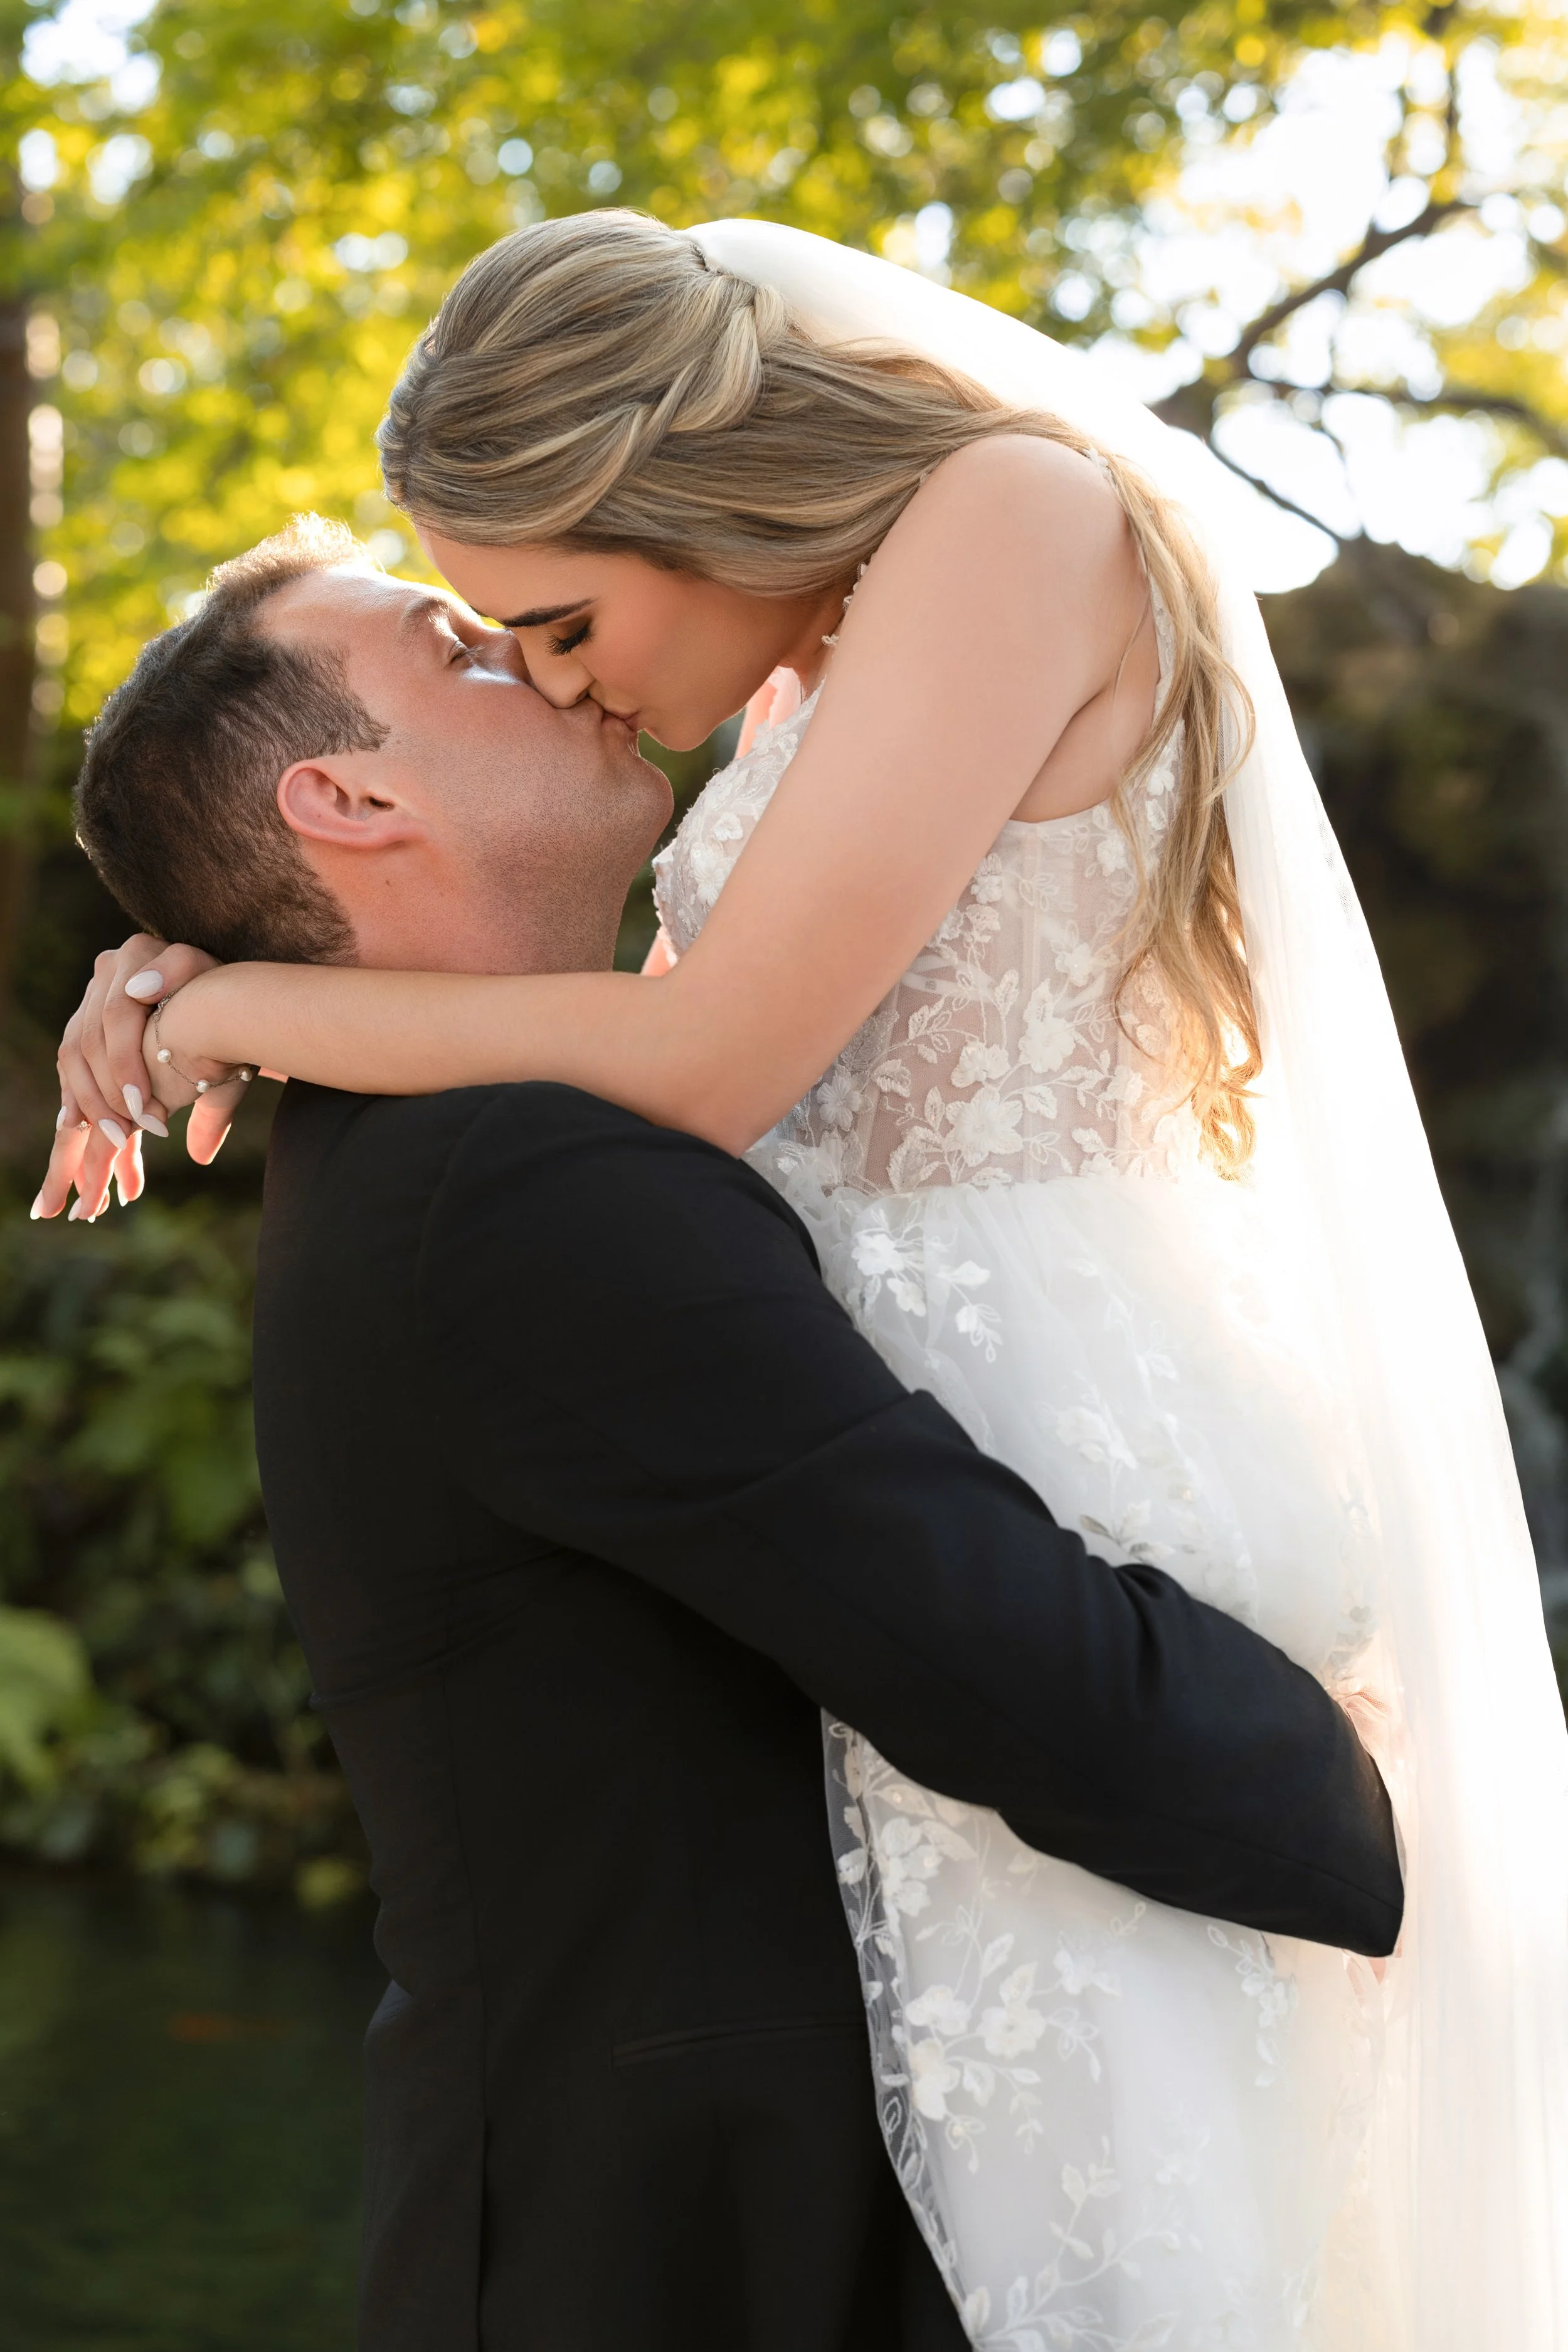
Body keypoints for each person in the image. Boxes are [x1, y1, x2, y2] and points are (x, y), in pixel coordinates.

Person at [42, 215, 1568, 2346]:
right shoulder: (496, 1164)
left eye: (550, 620)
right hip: (961, 1757)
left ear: (658, 479)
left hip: (1096, 1507)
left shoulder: (975, 549)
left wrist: (241, 1000)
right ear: (347, 795)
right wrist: (240, 976)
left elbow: (717, 1051)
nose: (561, 673)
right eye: (492, 649)